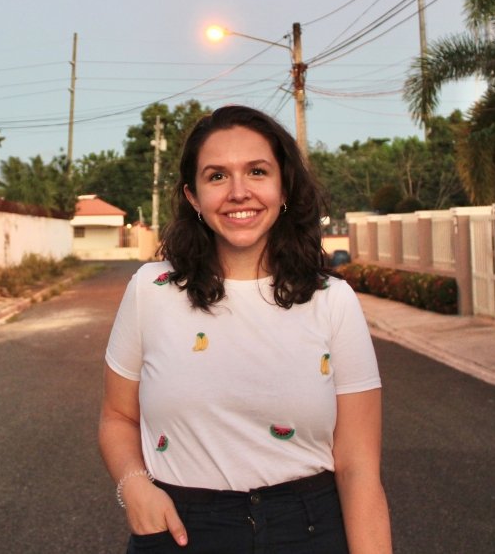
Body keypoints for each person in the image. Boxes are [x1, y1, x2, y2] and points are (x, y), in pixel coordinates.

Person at [98, 105, 392, 553]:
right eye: (217, 176)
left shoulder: (333, 300)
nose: (239, 192)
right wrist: (134, 485)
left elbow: (358, 466)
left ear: (283, 187)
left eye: (257, 171)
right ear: (193, 197)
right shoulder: (150, 291)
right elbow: (118, 417)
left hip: (309, 531)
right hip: (180, 530)